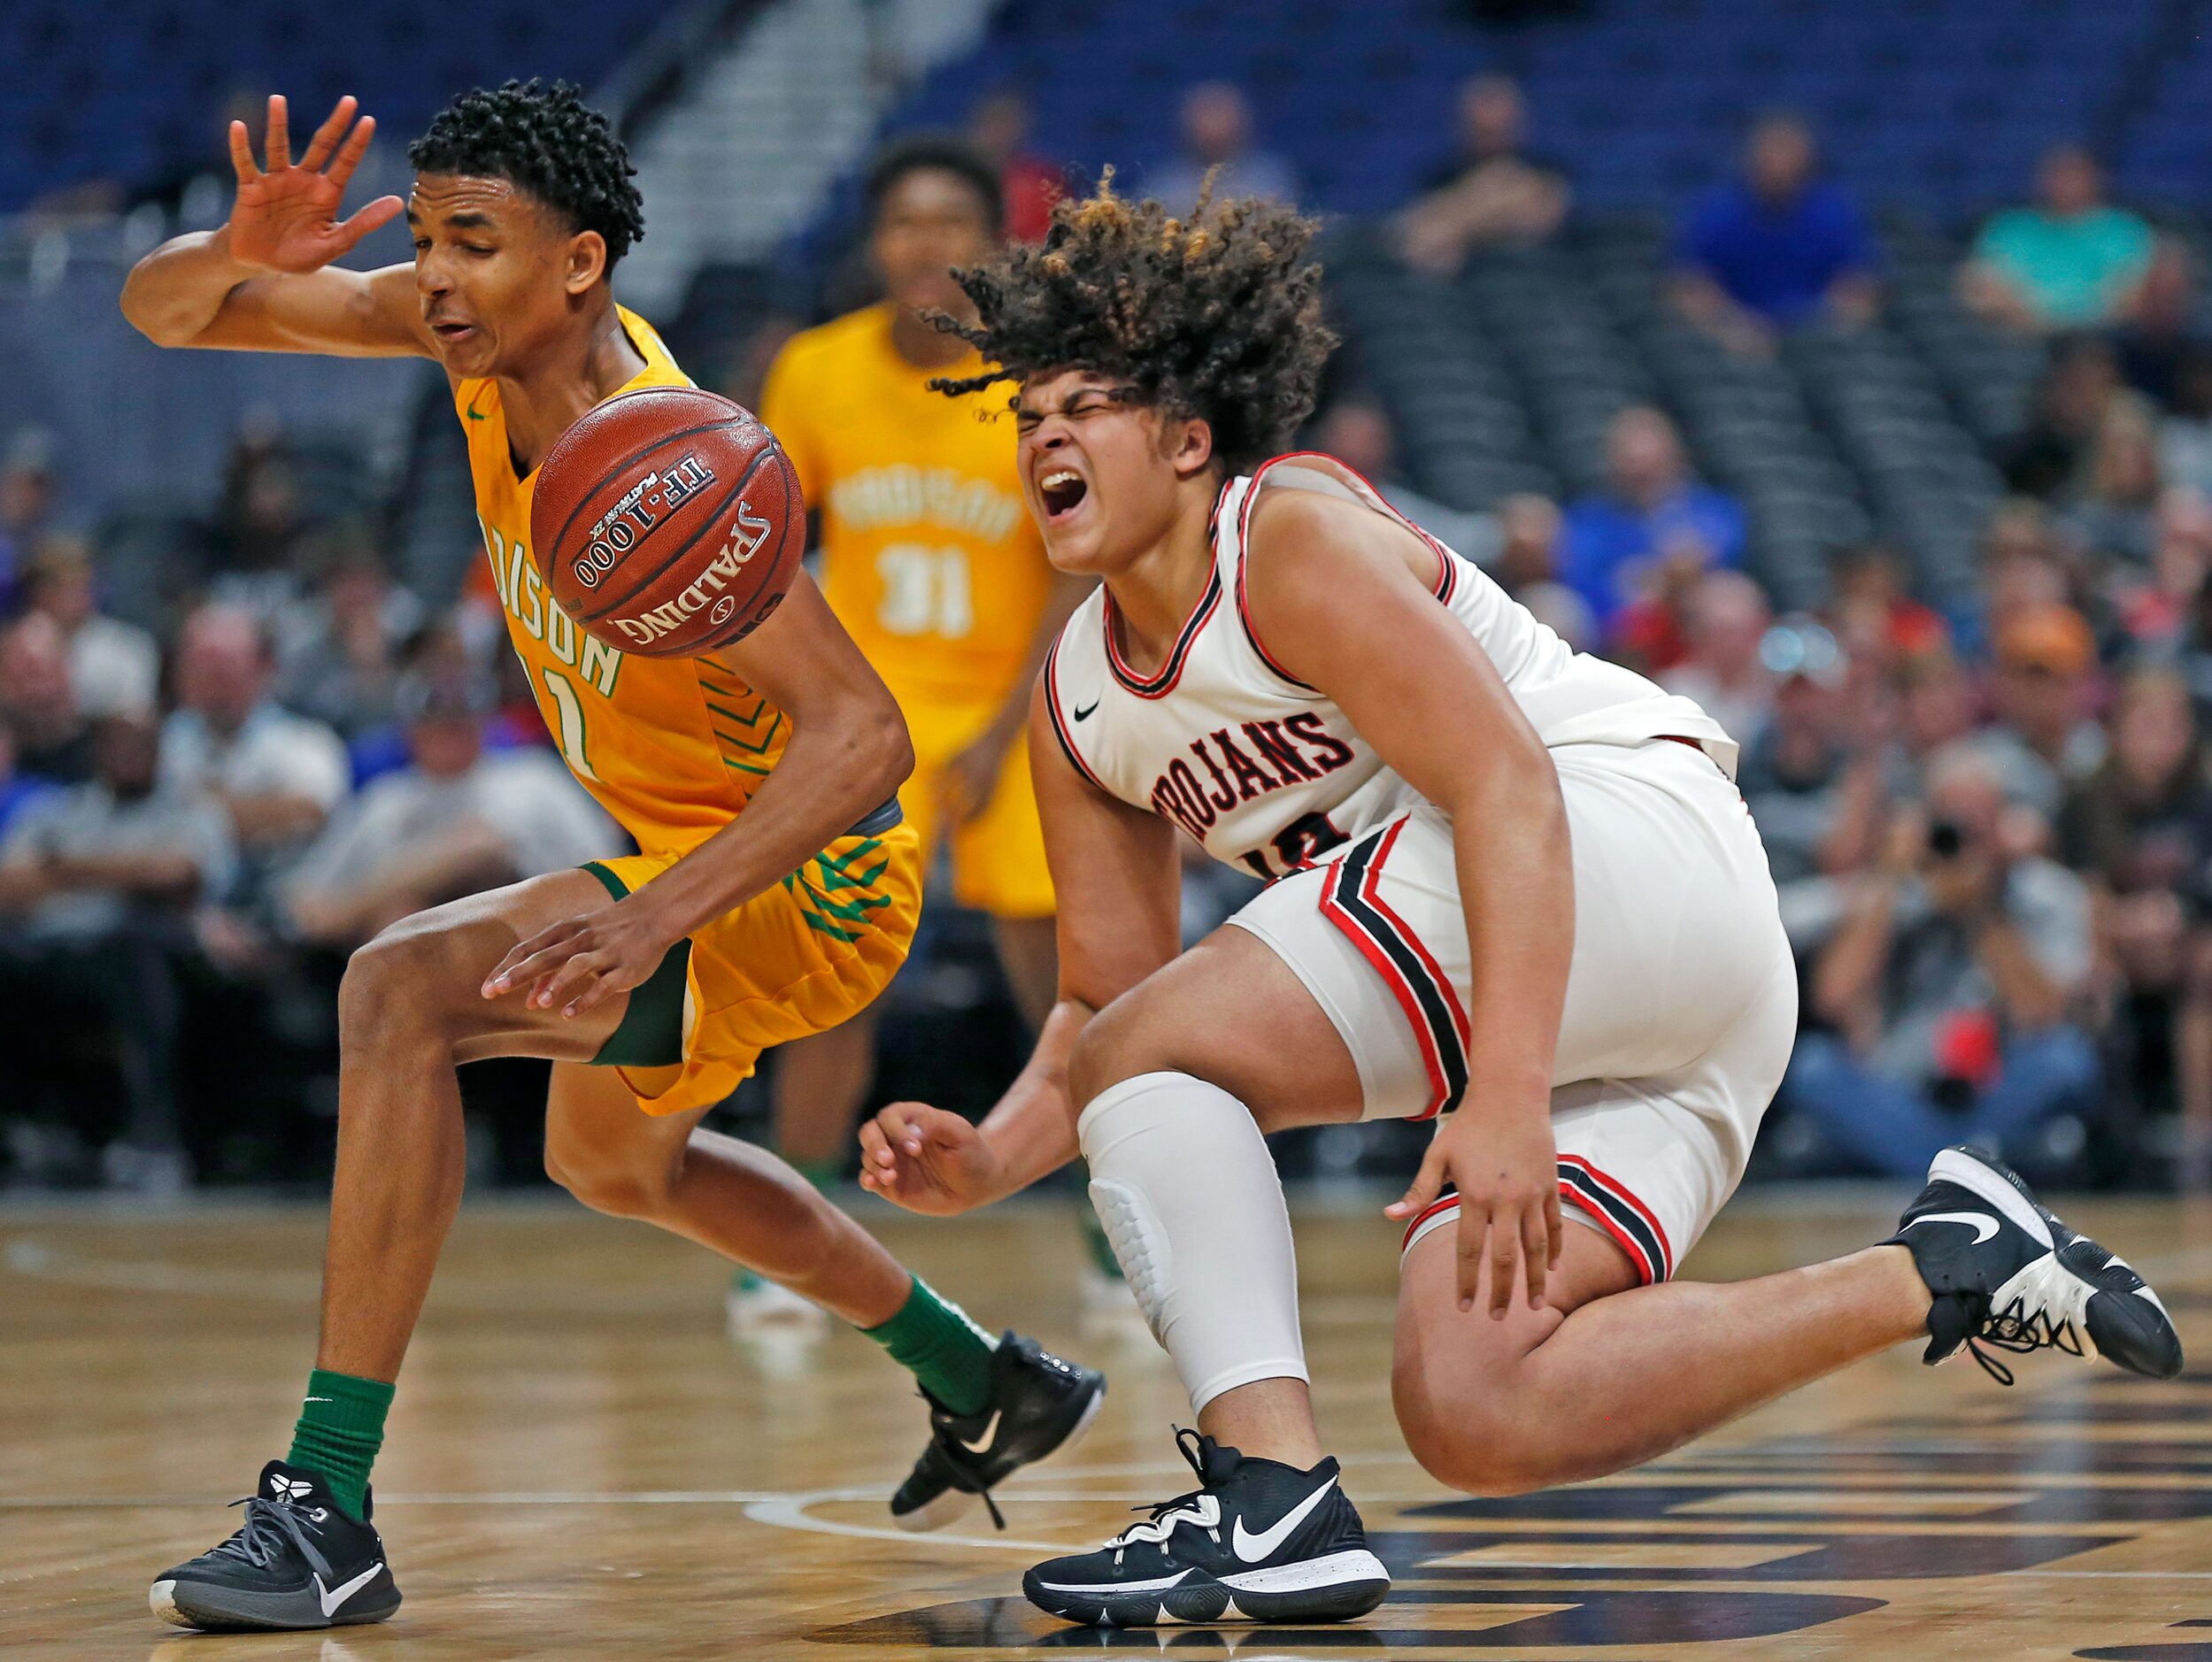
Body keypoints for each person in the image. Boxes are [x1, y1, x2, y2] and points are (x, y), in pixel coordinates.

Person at [851, 175, 2182, 1629]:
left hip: (1613, 842)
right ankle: (1940, 1264)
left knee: (1180, 1047)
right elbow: (1107, 1019)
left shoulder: (1282, 534)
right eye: (1025, 413)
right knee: (1480, 1404)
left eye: (1083, 405)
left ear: (1184, 439)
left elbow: (1503, 791)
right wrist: (992, 1155)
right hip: (1651, 993)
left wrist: (1504, 1087)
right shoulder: (1074, 705)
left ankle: (1267, 1494)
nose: (1042, 432)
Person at [120, 82, 1102, 1634]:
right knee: (610, 1162)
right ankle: (981, 1377)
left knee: (396, 991)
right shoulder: (467, 339)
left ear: (578, 265)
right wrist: (236, 246)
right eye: (426, 238)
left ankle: (323, 1508)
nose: (435, 275)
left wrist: (651, 914)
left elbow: (861, 741)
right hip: (681, 851)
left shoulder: (654, 458)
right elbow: (170, 315)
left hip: (802, 876)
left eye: (474, 243)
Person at [753, 138, 1091, 1308]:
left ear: (991, 242)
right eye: (903, 222)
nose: (925, 244)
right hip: (860, 720)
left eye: (950, 221)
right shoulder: (812, 369)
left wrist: (1009, 730)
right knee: (833, 979)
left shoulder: (1034, 379)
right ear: (874, 243)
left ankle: (1117, 1228)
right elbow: (764, 544)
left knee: (1062, 989)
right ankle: (789, 1240)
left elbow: (1071, 570)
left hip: (1010, 714)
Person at [1793, 746, 2100, 1178]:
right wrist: (1889, 877)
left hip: (1999, 1087)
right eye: (1951, 821)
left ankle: (1933, 1164)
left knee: (2067, 1058)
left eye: (1978, 822)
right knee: (1813, 1065)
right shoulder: (1896, 890)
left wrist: (1979, 912)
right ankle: (1965, 1169)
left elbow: (2042, 1014)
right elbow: (1833, 997)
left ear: (2002, 825)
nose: (1964, 839)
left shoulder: (2045, 894)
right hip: (1903, 1089)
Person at [0, 711, 235, 1194]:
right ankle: (25, 1128)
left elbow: (174, 874)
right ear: (97, 750)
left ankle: (154, 1136)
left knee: (133, 951)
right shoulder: (60, 809)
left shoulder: (191, 809)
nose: (128, 752)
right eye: (117, 741)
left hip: (147, 953)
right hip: (52, 950)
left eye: (141, 741)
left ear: (160, 749)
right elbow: (8, 884)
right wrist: (121, 869)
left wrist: (63, 868)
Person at [285, 668, 617, 947]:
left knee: (477, 844)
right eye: (437, 722)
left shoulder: (531, 776)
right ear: (411, 730)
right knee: (399, 916)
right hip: (407, 945)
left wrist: (347, 910)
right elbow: (307, 902)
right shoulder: (387, 799)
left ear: (483, 722)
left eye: (461, 720)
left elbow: (604, 863)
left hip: (534, 925)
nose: (450, 733)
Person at [160, 603, 351, 908]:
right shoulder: (163, 741)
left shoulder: (305, 741)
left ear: (264, 667)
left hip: (283, 900)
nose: (212, 679)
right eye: (200, 665)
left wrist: (187, 811)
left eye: (225, 667)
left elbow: (311, 811)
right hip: (180, 910)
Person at [1670, 112, 1877, 355]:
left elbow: (1860, 289)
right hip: (1732, 340)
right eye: (1771, 153)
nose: (1779, 165)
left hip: (1818, 338)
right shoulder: (1716, 211)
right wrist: (1730, 328)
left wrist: (1822, 329)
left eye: (1788, 153)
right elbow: (1689, 285)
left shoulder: (1836, 212)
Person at [1561, 404, 1746, 634]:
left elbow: (1722, 548)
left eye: (1651, 465)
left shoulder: (1709, 509)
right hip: (1618, 630)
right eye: (1633, 465)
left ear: (1674, 458)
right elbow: (1582, 578)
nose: (1642, 473)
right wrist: (1647, 580)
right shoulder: (1589, 521)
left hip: (1694, 624)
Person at [1963, 146, 2154, 335]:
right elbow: (1982, 286)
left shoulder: (2125, 230)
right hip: (2019, 336)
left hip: (2104, 338)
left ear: (2095, 179)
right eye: (2058, 174)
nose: (2065, 183)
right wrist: (2034, 322)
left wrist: (2078, 326)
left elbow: (2133, 296)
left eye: (2074, 174)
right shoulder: (2008, 228)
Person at [1396, 74, 1570, 275]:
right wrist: (1499, 200)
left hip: (1539, 277)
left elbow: (1540, 222)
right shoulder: (1439, 178)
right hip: (1461, 284)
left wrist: (1456, 215)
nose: (1493, 141)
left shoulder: (1549, 169)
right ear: (1463, 125)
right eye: (1484, 131)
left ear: (1520, 125)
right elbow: (1421, 236)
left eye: (1501, 130)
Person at [19, 539, 160, 719]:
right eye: (59, 587)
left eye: (82, 586)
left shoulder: (128, 646)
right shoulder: (15, 647)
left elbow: (136, 716)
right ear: (38, 593)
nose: (78, 596)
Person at [1149, 83, 1298, 216]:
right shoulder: (1164, 188)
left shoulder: (1271, 179)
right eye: (1206, 115)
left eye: (1221, 115)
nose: (1214, 128)